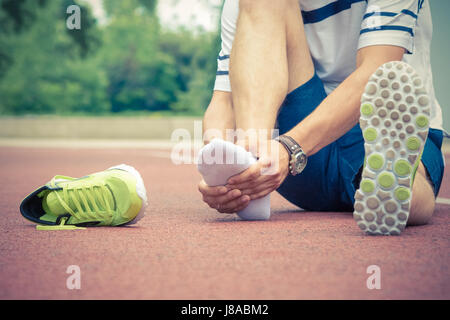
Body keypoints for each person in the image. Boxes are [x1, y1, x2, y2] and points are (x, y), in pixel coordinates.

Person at [197, 0, 445, 235]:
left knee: (402, 174)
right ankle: (253, 162)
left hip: (378, 125)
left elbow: (377, 70)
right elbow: (223, 101)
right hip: (288, 156)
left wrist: (290, 148)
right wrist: (221, 173)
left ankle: (393, 190)